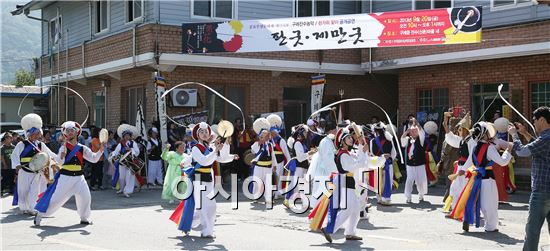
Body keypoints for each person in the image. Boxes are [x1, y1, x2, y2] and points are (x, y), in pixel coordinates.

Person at [170, 122, 237, 238]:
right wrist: (215, 151)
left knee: (208, 206)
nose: (205, 133)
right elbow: (204, 161)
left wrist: (226, 144)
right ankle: (207, 231)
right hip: (199, 180)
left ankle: (189, 223)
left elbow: (222, 158)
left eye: (206, 132)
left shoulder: (210, 148)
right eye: (201, 132)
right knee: (205, 206)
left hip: (209, 180)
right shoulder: (196, 148)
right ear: (197, 135)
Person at [34, 121, 105, 226]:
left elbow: (93, 159)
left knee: (86, 198)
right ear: (65, 133)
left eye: (72, 130)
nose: (70, 132)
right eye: (68, 131)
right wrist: (62, 156)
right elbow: (59, 162)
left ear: (77, 133)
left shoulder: (82, 148)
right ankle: (40, 214)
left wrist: (101, 151)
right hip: (65, 178)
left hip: (79, 178)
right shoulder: (63, 147)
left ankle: (84, 218)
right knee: (55, 201)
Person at [451, 121, 511, 232]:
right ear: (484, 134)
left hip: (477, 177)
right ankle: (491, 226)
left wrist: (463, 170)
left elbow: (469, 160)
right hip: (488, 178)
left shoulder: (475, 148)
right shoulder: (489, 148)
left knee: (477, 200)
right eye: (487, 132)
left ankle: (470, 219)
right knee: (490, 202)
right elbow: (502, 162)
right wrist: (508, 151)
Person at [507, 106, 550, 251]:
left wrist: (514, 135)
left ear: (542, 120)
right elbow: (538, 146)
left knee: (532, 232)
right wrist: (525, 133)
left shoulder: (546, 138)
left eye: (535, 120)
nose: (534, 122)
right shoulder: (545, 139)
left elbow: (522, 151)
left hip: (541, 192)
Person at [11, 113, 59, 215]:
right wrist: (17, 165)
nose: (38, 135)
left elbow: (49, 154)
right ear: (30, 133)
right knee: (23, 190)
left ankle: (33, 208)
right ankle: (23, 207)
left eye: (38, 133)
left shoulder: (41, 145)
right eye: (36, 133)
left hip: (37, 170)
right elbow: (14, 155)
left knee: (34, 190)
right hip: (25, 170)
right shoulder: (22, 144)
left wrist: (59, 158)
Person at [400, 118, 428, 203]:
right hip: (410, 164)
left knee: (421, 180)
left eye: (415, 131)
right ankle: (408, 196)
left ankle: (421, 195)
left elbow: (422, 132)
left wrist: (417, 124)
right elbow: (402, 141)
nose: (413, 132)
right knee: (409, 180)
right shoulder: (408, 139)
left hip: (420, 164)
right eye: (412, 131)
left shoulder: (421, 139)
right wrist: (406, 131)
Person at [109, 124, 140, 198]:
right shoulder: (120, 144)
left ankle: (127, 191)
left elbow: (137, 151)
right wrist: (112, 155)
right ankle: (122, 189)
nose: (127, 137)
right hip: (122, 163)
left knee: (129, 177)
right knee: (122, 177)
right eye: (125, 135)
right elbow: (116, 152)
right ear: (123, 136)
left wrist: (131, 149)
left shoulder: (133, 143)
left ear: (130, 136)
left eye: (128, 135)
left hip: (130, 163)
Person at [369, 122, 396, 206]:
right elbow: (394, 153)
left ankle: (379, 198)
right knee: (388, 180)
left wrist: (379, 157)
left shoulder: (372, 141)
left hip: (377, 163)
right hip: (388, 163)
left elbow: (372, 153)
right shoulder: (389, 140)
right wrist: (389, 158)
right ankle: (386, 199)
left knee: (378, 181)